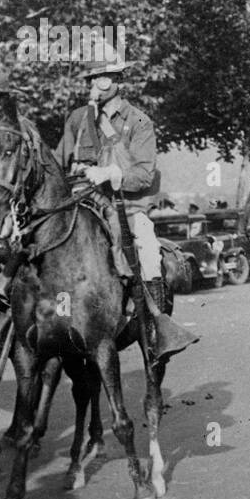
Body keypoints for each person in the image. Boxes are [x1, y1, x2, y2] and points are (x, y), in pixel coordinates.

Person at [54, 61, 197, 356]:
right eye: (92, 79)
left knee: (146, 251)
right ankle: (36, 320)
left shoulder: (138, 121)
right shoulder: (79, 119)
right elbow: (58, 162)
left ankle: (157, 329)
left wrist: (111, 173)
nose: (96, 85)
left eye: (103, 79)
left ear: (119, 81)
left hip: (126, 207)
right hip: (80, 203)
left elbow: (144, 174)